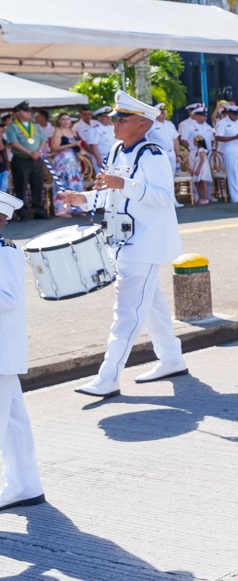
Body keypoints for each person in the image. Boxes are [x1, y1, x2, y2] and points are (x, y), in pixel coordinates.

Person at [63, 91, 188, 398]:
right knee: (151, 305)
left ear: (142, 125)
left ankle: (108, 378)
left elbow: (163, 197)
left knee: (127, 313)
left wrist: (125, 185)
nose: (114, 124)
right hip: (122, 240)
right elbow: (112, 194)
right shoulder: (118, 150)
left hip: (144, 244)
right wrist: (86, 199)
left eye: (122, 119)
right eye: (115, 118)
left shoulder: (153, 154)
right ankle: (172, 358)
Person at [0, 190, 42, 513]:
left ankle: (24, 484)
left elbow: (8, 299)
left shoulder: (5, 252)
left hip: (2, 352)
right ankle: (26, 485)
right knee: (14, 422)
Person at [5, 102, 47, 221]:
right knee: (21, 186)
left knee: (38, 184)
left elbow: (44, 139)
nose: (29, 113)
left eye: (29, 111)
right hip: (21, 159)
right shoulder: (12, 127)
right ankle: (23, 213)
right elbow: (13, 142)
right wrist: (29, 152)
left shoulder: (35, 125)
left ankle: (38, 210)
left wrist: (38, 151)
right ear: (17, 113)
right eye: (25, 111)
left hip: (36, 158)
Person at [48, 113, 86, 216]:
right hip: (62, 159)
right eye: (63, 119)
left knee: (75, 183)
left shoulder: (73, 131)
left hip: (73, 159)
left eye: (68, 119)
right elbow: (54, 148)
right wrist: (71, 144)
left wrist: (80, 150)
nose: (66, 121)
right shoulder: (58, 131)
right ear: (59, 121)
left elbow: (78, 146)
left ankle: (77, 208)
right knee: (62, 184)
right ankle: (62, 210)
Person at [178, 104, 215, 205]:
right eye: (202, 115)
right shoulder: (191, 127)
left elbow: (212, 140)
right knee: (196, 177)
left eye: (205, 115)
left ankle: (208, 196)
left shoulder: (208, 127)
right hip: (195, 154)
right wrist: (190, 149)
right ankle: (197, 196)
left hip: (206, 153)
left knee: (206, 177)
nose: (204, 117)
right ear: (196, 116)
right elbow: (184, 140)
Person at [214, 104, 238, 204]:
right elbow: (218, 137)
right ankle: (235, 196)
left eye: (237, 115)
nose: (236, 117)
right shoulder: (222, 123)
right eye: (234, 115)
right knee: (233, 172)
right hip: (231, 146)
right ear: (229, 113)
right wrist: (235, 137)